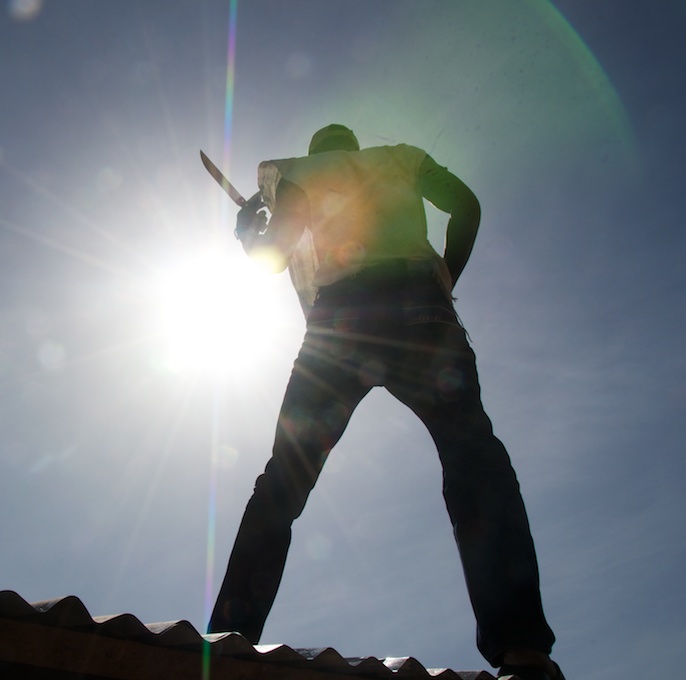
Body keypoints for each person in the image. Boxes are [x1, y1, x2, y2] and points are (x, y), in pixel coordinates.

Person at [207, 124, 563, 680]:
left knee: (285, 479)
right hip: (424, 312)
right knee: (474, 461)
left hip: (340, 324)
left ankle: (230, 634)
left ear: (319, 149)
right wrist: (445, 275)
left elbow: (276, 257)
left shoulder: (300, 173)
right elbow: (466, 205)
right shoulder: (399, 158)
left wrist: (248, 230)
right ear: (353, 146)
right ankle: (522, 648)